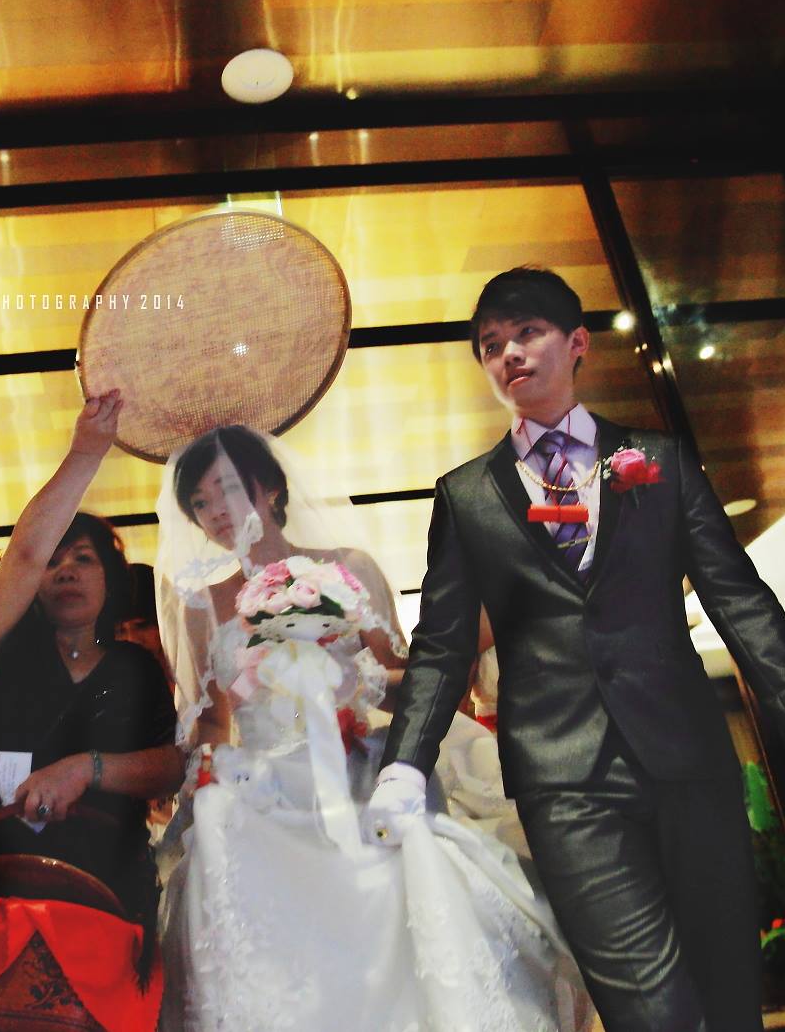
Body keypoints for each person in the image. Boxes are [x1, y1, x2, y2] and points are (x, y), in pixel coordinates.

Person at [368, 267, 785, 1032]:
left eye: (527, 332)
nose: (509, 353)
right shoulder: (467, 495)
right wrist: (405, 764)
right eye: (491, 344)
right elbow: (443, 644)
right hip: (563, 779)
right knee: (652, 1009)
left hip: (688, 759)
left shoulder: (662, 461)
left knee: (728, 996)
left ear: (577, 343)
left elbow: (737, 597)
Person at [155, 424, 594, 1032]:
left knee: (398, 879)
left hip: (354, 765)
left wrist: (352, 683)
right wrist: (202, 769)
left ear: (272, 488)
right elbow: (211, 718)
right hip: (264, 787)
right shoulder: (201, 605)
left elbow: (403, 677)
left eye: (227, 489)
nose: (216, 512)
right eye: (200, 503)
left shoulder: (345, 568)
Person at [0, 390, 183, 1002]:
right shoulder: (4, 654)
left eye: (84, 558)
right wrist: (86, 452)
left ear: (109, 581)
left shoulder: (135, 668)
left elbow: (173, 763)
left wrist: (89, 769)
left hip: (113, 899)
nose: (65, 569)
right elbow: (25, 552)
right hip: (1, 897)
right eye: (54, 562)